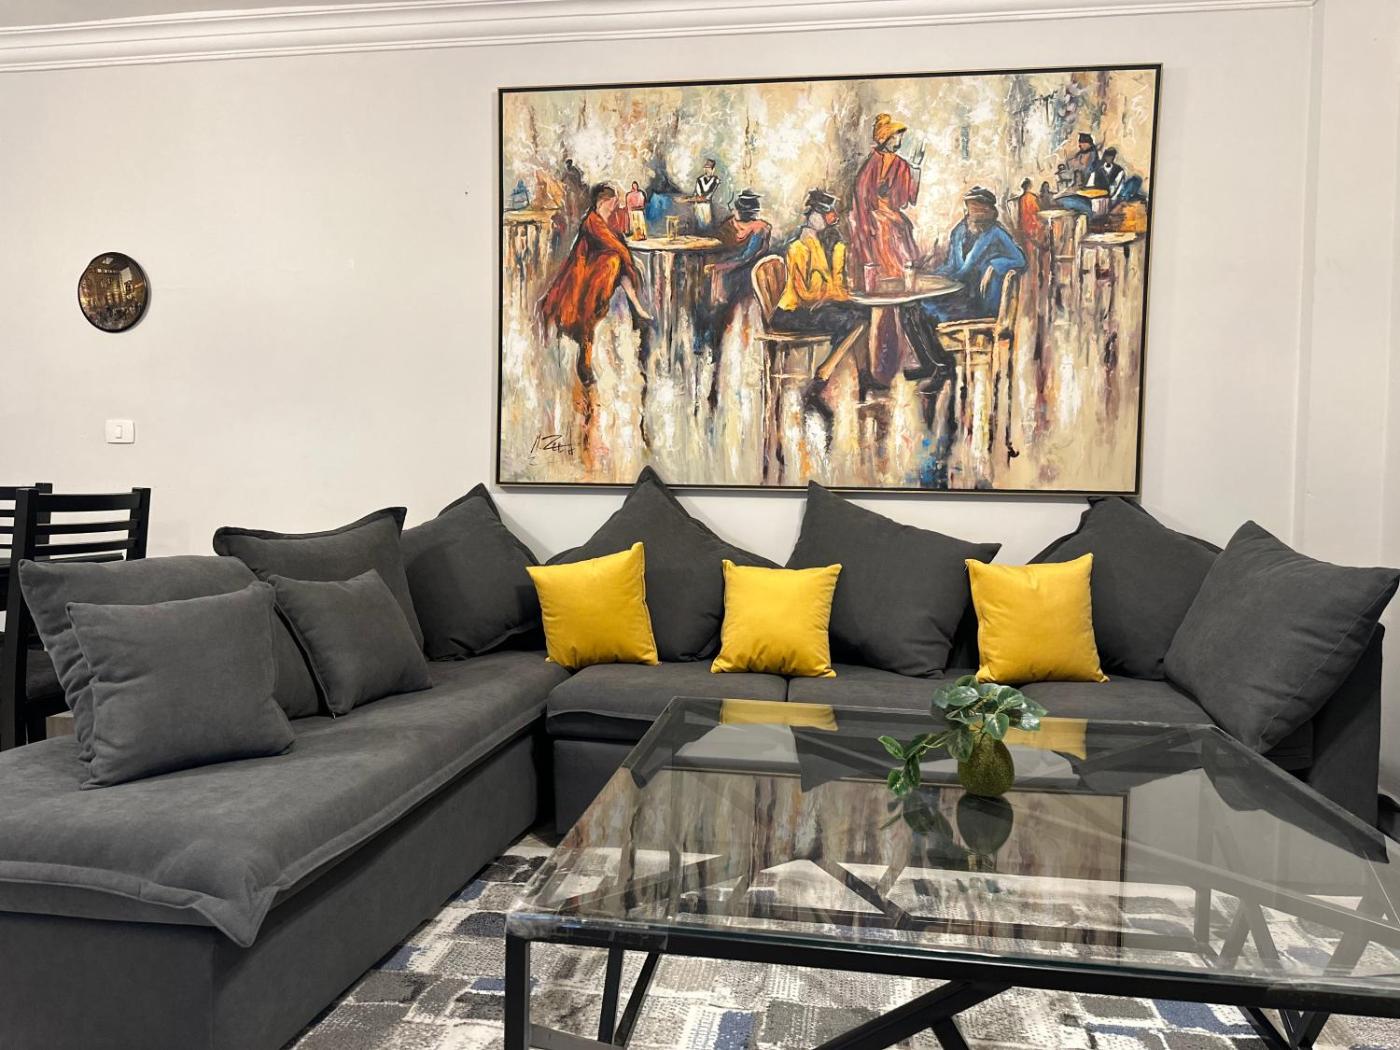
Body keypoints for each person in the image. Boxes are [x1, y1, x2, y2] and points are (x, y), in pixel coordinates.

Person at [901, 187, 1026, 386]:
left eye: (981, 208)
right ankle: (931, 364)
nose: (976, 212)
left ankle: (943, 367)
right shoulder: (958, 232)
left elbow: (1020, 260)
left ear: (990, 211)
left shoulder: (996, 233)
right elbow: (952, 266)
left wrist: (994, 265)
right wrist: (929, 275)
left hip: (980, 302)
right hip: (958, 294)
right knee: (909, 309)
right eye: (972, 207)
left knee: (924, 311)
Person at [539, 183, 654, 389]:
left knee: (617, 263)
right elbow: (617, 246)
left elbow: (617, 241)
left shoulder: (603, 221)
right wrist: (626, 259)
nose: (614, 206)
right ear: (602, 202)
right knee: (615, 262)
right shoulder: (592, 222)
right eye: (612, 202)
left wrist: (625, 255)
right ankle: (636, 308)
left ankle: (637, 306)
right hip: (585, 278)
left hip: (596, 275)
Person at [696, 189, 773, 409]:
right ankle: (705, 343)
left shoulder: (759, 229)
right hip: (732, 274)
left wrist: (719, 267)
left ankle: (707, 344)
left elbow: (746, 258)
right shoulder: (732, 225)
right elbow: (712, 238)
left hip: (745, 279)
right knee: (705, 298)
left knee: (713, 304)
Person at [848, 112, 924, 286]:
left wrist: (915, 168)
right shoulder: (871, 163)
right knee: (884, 229)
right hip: (872, 214)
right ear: (886, 139)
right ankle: (883, 278)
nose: (899, 141)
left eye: (900, 137)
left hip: (891, 213)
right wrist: (869, 217)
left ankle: (902, 277)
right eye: (896, 137)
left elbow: (908, 198)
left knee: (902, 226)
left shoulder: (900, 164)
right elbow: (861, 195)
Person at [1014, 177, 1044, 249]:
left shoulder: (1021, 198)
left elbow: (1020, 214)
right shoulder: (1032, 197)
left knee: (1027, 245)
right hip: (1032, 224)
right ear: (1029, 187)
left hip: (1024, 225)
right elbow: (1037, 210)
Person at [693, 159, 720, 227]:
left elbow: (709, 194)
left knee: (707, 225)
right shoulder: (700, 179)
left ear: (713, 169)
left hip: (706, 206)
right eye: (706, 168)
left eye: (709, 168)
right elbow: (697, 193)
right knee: (699, 224)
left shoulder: (715, 180)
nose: (707, 170)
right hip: (698, 205)